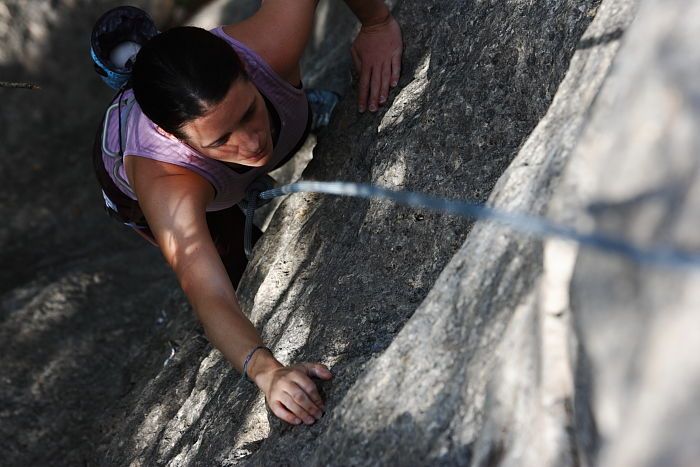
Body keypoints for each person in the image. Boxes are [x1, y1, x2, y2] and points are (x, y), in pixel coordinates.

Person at [92, 1, 403, 427]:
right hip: (149, 185)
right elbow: (210, 296)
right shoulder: (167, 183)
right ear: (174, 137)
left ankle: (279, 117)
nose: (251, 142)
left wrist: (376, 23)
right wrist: (267, 372)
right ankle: (235, 173)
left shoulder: (267, 46)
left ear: (243, 63)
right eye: (223, 139)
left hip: (242, 120)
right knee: (234, 271)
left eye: (247, 113)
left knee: (285, 126)